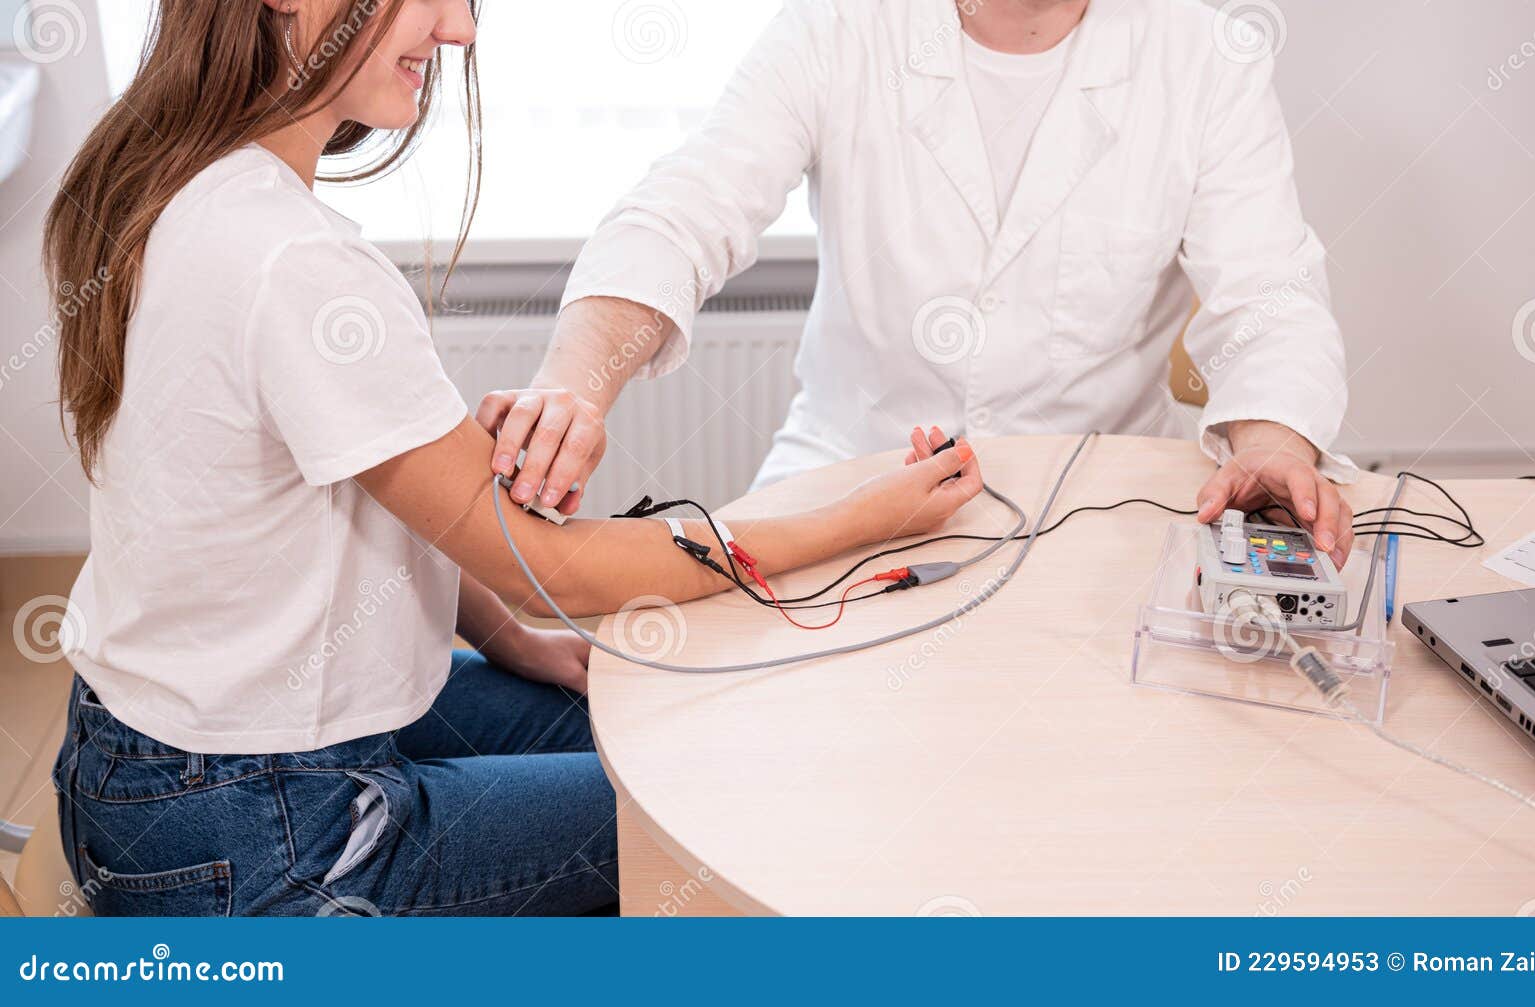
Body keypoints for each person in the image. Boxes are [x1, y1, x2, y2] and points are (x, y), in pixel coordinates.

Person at [42, 0, 984, 916]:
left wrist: (511, 640)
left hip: (139, 768)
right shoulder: (295, 262)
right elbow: (555, 569)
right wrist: (867, 516)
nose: (459, 28)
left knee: (655, 713)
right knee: (719, 790)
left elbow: (391, 513)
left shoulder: (164, 184)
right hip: (268, 826)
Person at [485, 0, 1359, 568]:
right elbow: (685, 210)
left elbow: (1268, 297)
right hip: (843, 479)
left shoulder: (1203, 54)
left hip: (1098, 506)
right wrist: (578, 382)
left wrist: (1277, 446)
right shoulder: (838, 28)